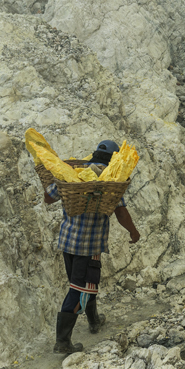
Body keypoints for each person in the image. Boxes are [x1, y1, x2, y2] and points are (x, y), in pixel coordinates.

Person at [44, 139, 141, 354]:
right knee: (79, 289)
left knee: (85, 285)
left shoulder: (72, 173)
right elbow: (121, 212)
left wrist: (57, 182)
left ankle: (94, 320)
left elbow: (48, 198)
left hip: (67, 241)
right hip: (89, 246)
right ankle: (63, 342)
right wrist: (133, 232)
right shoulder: (110, 180)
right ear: (114, 159)